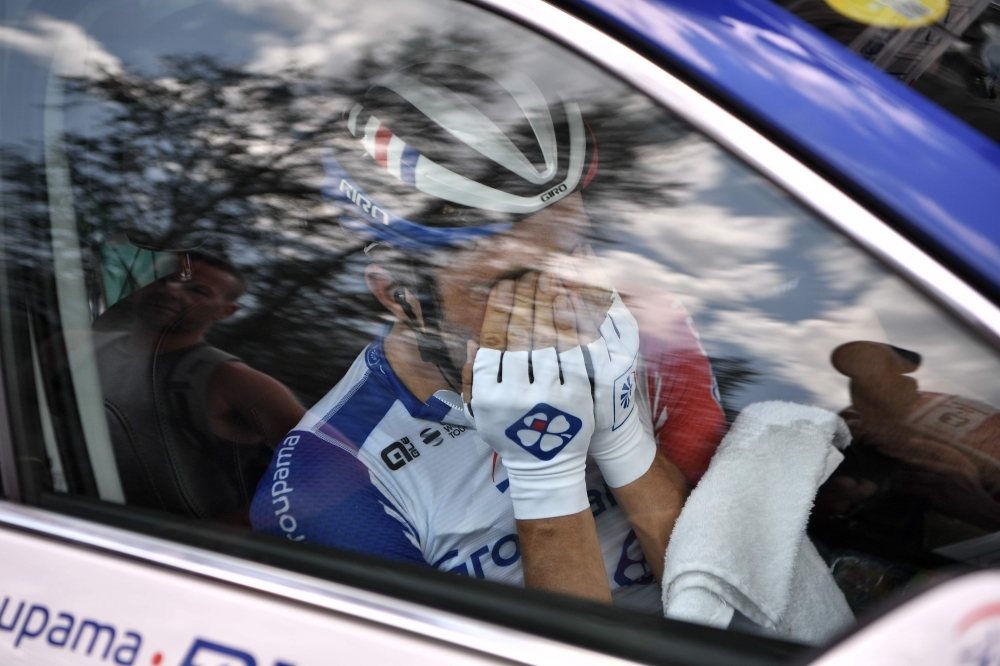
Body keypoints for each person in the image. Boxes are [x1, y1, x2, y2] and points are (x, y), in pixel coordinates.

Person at [250, 58, 722, 609]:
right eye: (515, 282)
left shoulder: (638, 327)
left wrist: (622, 437)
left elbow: (734, 600)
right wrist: (545, 476)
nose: (566, 303)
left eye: (574, 255)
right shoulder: (330, 481)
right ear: (399, 297)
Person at [94, 251, 305, 525]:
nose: (173, 292)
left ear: (224, 311)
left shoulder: (233, 381)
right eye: (162, 280)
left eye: (197, 290)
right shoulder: (74, 348)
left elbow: (334, 470)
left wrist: (223, 532)